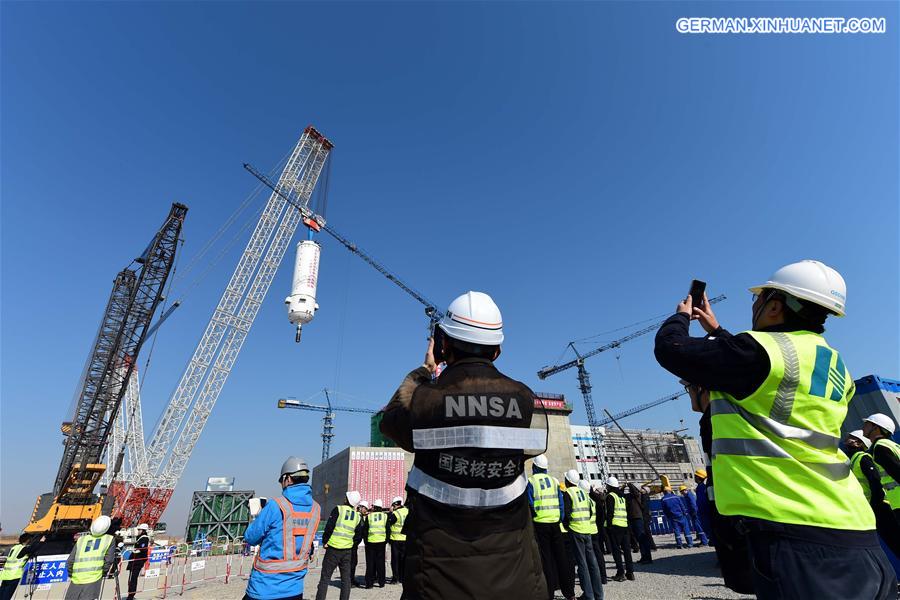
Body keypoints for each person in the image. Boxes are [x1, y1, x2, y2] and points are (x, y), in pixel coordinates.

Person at [654, 260, 895, 599]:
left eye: (759, 298)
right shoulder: (833, 362)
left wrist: (681, 316)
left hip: (797, 535)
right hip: (854, 526)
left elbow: (671, 348)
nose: (754, 305)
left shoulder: (758, 352)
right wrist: (718, 330)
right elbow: (758, 376)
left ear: (775, 306)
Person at [379, 291, 547, 599]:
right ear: (497, 350)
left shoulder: (425, 400)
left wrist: (425, 370)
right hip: (516, 573)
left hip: (437, 575)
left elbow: (389, 422)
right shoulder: (525, 398)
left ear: (443, 345)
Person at [244, 456, 321, 600]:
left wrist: (260, 516)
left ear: (288, 479)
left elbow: (250, 537)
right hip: (295, 589)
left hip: (264, 588)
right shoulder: (316, 509)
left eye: (281, 481)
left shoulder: (275, 506)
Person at [527, 454, 576, 600]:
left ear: (534, 467)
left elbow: (530, 503)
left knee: (546, 560)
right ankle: (570, 593)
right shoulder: (554, 481)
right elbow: (561, 504)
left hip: (540, 524)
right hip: (556, 524)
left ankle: (549, 593)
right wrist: (558, 518)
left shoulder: (531, 481)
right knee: (561, 558)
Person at [856, 421, 900, 558]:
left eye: (868, 424)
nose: (864, 426)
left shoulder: (880, 447)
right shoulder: (892, 444)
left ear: (877, 428)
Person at [315, 491, 364, 600]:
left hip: (333, 549)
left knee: (325, 578)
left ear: (347, 500)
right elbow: (358, 536)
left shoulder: (338, 509)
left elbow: (329, 527)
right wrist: (350, 544)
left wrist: (325, 541)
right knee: (346, 580)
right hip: (347, 551)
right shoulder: (357, 517)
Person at [562, 471, 603, 600]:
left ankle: (588, 595)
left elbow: (566, 513)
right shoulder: (584, 494)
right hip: (587, 530)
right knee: (593, 563)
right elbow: (590, 512)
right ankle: (599, 594)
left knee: (582, 563)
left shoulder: (568, 493)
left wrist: (567, 526)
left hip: (576, 530)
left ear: (568, 481)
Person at [65, 516, 116, 600]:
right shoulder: (109, 539)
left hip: (76, 579)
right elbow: (109, 560)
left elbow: (70, 561)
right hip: (94, 579)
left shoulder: (81, 540)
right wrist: (102, 573)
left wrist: (71, 574)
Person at [604, 476, 633, 582]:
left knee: (616, 551)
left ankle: (620, 573)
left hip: (615, 526)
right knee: (626, 551)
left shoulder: (610, 496)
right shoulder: (622, 496)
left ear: (609, 486)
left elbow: (610, 512)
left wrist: (609, 526)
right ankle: (630, 572)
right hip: (624, 525)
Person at [0, 533, 41, 600]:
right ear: (27, 540)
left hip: (5, 576)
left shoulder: (14, 548)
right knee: (6, 597)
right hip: (13, 577)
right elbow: (33, 548)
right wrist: (41, 541)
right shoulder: (23, 549)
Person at [626, 483, 652, 564]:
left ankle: (647, 557)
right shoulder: (632, 496)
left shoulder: (637, 495)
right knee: (640, 539)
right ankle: (644, 556)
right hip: (634, 518)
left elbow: (634, 490)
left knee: (642, 539)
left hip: (638, 519)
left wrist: (629, 484)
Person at [364, 499, 387, 588]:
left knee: (370, 563)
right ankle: (381, 582)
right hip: (381, 542)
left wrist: (366, 541)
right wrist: (385, 540)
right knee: (381, 563)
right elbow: (388, 530)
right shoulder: (385, 516)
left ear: (375, 507)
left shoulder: (369, 517)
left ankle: (369, 583)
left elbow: (365, 531)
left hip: (371, 542)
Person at [588, 484, 608, 584]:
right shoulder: (599, 500)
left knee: (591, 555)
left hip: (590, 530)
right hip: (598, 529)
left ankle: (595, 576)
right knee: (599, 553)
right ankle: (603, 576)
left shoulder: (589, 499)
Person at [125, 523, 150, 600]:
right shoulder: (139, 538)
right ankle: (130, 593)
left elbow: (142, 549)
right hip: (134, 561)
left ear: (143, 531)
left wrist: (136, 551)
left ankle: (131, 595)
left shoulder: (144, 538)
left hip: (137, 562)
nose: (138, 531)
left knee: (133, 579)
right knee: (131, 579)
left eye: (139, 529)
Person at [387, 496, 408, 585]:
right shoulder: (407, 511)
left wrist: (390, 513)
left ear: (396, 504)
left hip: (395, 539)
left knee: (395, 560)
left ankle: (395, 578)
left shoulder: (396, 513)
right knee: (403, 559)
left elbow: (389, 522)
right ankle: (402, 578)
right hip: (405, 539)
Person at [693, 469, 714, 546]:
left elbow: (702, 502)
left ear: (698, 477)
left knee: (707, 527)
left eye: (695, 476)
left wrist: (700, 512)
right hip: (705, 512)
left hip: (704, 512)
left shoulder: (701, 488)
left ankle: (712, 540)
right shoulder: (702, 487)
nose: (694, 478)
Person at [350, 501, 368, 587]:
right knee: (351, 562)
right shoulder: (357, 516)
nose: (366, 511)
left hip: (354, 543)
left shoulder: (360, 517)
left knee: (354, 562)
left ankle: (351, 579)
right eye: (365, 508)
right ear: (361, 507)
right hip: (352, 543)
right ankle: (349, 581)